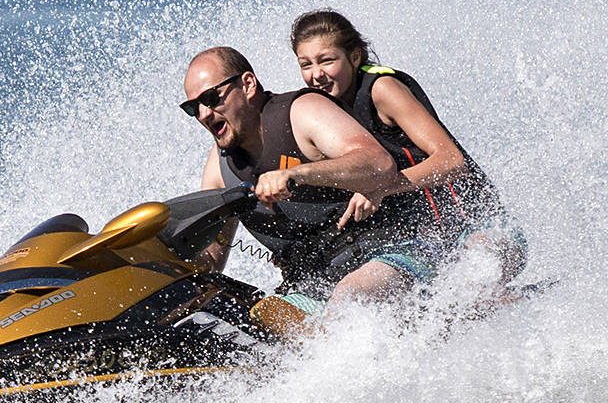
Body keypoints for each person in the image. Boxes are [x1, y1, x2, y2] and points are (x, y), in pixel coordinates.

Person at [181, 45, 433, 309]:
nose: (203, 114)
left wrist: (297, 174)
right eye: (192, 107)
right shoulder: (219, 170)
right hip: (310, 292)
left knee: (350, 298)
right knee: (250, 324)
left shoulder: (302, 112)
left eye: (211, 98)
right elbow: (210, 262)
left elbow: (379, 164)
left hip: (393, 254)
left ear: (247, 84)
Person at [288, 9, 526, 284]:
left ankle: (523, 304)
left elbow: (451, 161)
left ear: (354, 56)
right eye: (306, 65)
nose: (316, 75)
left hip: (484, 227)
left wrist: (382, 187)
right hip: (431, 247)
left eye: (326, 61)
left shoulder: (383, 89)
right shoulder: (327, 115)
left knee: (467, 285)